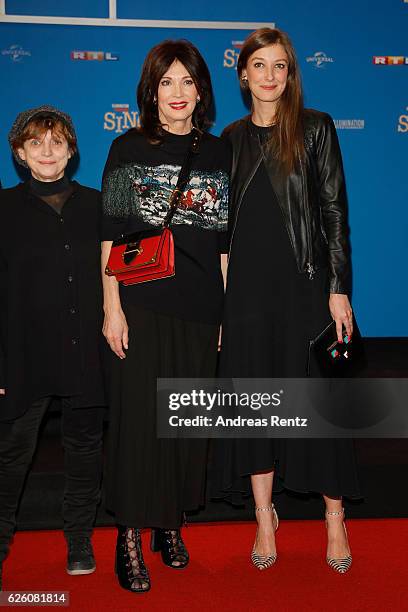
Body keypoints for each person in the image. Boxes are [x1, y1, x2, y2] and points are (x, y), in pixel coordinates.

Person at [212, 28, 361, 574]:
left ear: (290, 74)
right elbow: (218, 234)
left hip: (305, 287)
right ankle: (263, 516)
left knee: (317, 405)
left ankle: (334, 516)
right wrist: (221, 306)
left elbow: (334, 213)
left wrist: (338, 288)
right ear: (243, 74)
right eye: (259, 65)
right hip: (247, 293)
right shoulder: (227, 139)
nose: (270, 75)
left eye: (280, 65)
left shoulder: (316, 129)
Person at [101, 40, 229, 593]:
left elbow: (223, 243)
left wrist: (223, 310)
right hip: (143, 303)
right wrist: (112, 308)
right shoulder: (127, 147)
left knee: (184, 424)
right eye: (166, 82)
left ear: (201, 90)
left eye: (188, 82)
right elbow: (109, 235)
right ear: (151, 91)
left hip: (200, 305)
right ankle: (129, 537)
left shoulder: (219, 152)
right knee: (138, 426)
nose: (178, 93)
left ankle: (169, 524)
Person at [0, 106, 105, 588]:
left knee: (85, 449)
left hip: (87, 351)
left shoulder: (98, 207)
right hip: (23, 355)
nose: (47, 151)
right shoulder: (3, 210)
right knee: (12, 453)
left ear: (71, 149)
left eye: (57, 142)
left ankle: (79, 539)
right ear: (20, 153)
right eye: (36, 143)